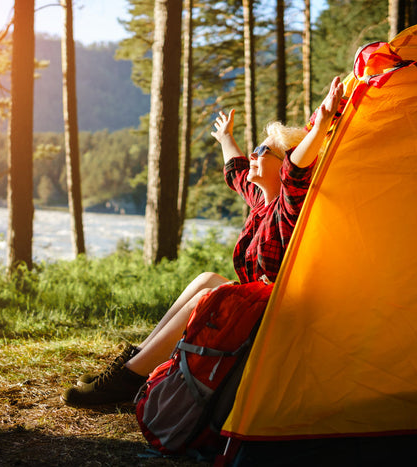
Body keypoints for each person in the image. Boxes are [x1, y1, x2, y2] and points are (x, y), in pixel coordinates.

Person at [62, 76, 344, 407]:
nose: (253, 155)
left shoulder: (289, 206)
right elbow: (235, 172)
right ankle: (133, 362)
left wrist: (322, 122)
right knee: (207, 279)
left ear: (282, 164)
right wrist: (226, 137)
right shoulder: (260, 201)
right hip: (252, 303)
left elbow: (297, 171)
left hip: (274, 311)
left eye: (263, 150)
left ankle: (126, 382)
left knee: (210, 296)